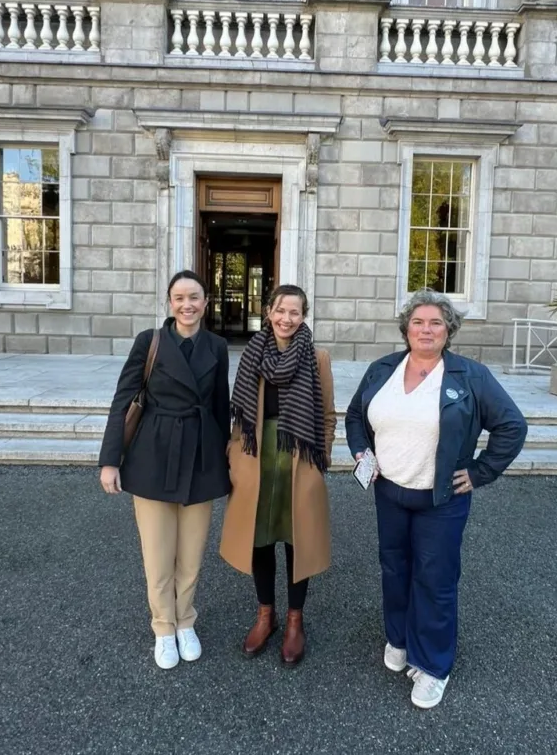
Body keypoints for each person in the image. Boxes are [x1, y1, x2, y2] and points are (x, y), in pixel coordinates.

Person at [345, 288, 527, 709]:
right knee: (394, 568)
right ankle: (401, 639)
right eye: (418, 322)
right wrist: (361, 451)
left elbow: (512, 426)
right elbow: (356, 415)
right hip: (389, 491)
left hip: (440, 499)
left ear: (449, 331)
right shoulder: (382, 369)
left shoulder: (469, 376)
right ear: (406, 328)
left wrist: (481, 471)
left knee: (436, 578)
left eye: (436, 323)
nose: (426, 330)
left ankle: (434, 665)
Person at [98, 270, 230, 670]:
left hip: (201, 455)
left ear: (206, 303)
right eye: (179, 298)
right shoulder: (149, 342)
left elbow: (221, 405)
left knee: (190, 555)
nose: (187, 305)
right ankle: (163, 627)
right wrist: (110, 460)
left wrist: (227, 458)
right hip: (153, 453)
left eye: (195, 297)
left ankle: (185, 619)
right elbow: (123, 400)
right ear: (169, 303)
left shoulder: (218, 346)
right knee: (158, 554)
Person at [219, 284, 337, 665]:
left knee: (296, 541)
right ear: (269, 311)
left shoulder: (316, 357)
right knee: (260, 539)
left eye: (296, 312)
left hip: (299, 457)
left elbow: (328, 416)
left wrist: (322, 460)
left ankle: (294, 622)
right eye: (281, 310)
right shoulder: (253, 355)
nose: (287, 318)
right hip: (257, 457)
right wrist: (235, 455)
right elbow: (239, 411)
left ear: (304, 316)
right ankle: (265, 615)